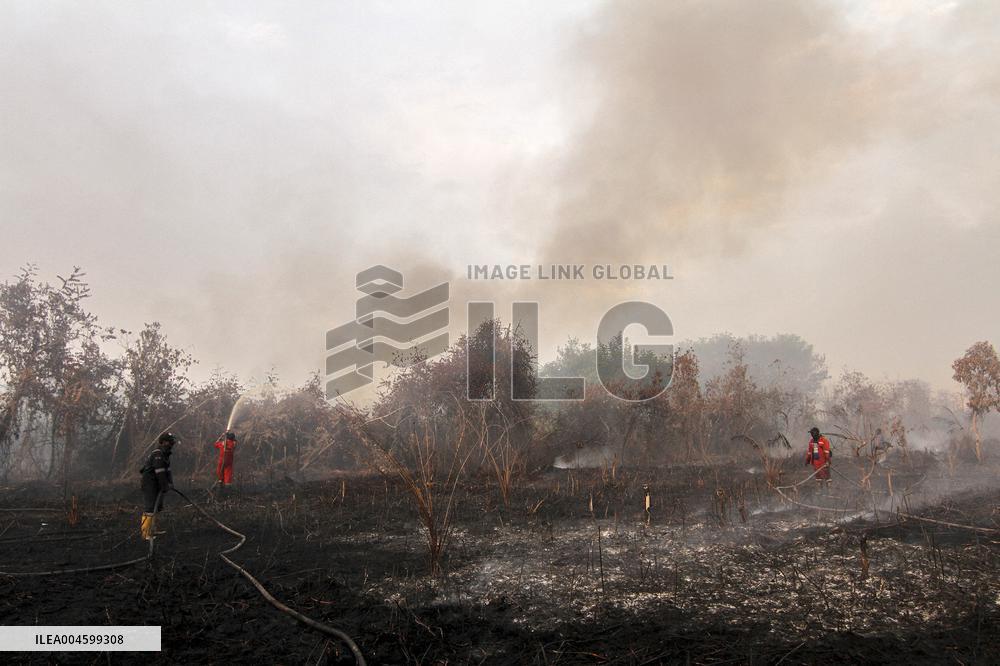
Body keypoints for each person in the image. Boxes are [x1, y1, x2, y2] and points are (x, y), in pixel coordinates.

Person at [140, 432, 177, 540]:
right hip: (150, 484)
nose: (171, 443)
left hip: (157, 484)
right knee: (150, 507)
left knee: (157, 507)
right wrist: (165, 486)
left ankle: (152, 530)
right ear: (163, 442)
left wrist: (170, 483)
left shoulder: (165, 454)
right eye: (169, 441)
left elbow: (167, 471)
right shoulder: (158, 454)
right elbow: (160, 472)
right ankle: (145, 533)